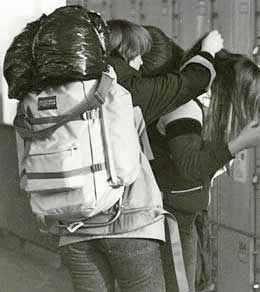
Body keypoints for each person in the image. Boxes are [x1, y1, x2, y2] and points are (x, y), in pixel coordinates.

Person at [143, 31, 260, 292]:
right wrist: (238, 144)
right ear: (229, 91)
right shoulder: (184, 110)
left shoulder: (199, 111)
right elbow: (190, 165)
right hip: (169, 220)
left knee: (194, 284)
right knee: (180, 286)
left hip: (185, 216)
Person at [107, 19, 224, 126]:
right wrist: (208, 51)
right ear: (128, 54)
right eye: (138, 54)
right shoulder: (131, 91)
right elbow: (194, 80)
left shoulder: (101, 81)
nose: (141, 62)